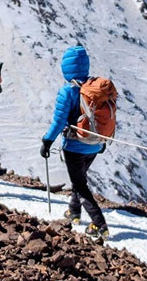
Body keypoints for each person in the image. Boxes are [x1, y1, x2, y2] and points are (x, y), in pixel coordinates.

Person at [41, 45, 109, 242]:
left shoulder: (68, 91)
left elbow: (59, 121)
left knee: (80, 184)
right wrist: (102, 139)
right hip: (95, 145)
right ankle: (74, 212)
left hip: (74, 146)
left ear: (66, 67)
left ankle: (99, 224)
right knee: (79, 178)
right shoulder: (96, 88)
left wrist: (47, 141)